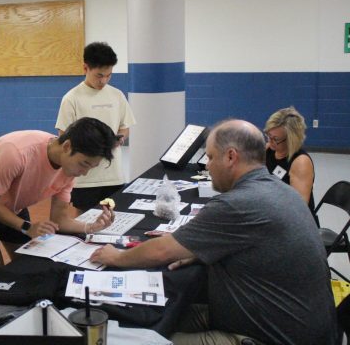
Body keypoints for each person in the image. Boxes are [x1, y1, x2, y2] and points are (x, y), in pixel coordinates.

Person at [91, 119, 337, 345]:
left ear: (231, 156)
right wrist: (200, 251)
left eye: (210, 157)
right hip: (284, 320)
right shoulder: (279, 190)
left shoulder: (238, 203)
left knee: (136, 338)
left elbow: (162, 251)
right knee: (159, 313)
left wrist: (115, 257)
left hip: (266, 335)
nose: (207, 165)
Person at [0, 117, 120, 268]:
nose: (84, 173)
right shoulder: (16, 153)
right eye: (84, 164)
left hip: (13, 207)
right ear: (67, 146)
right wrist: (26, 227)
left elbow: (60, 220)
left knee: (25, 265)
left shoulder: (69, 169)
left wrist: (91, 227)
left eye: (91, 167)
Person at [56, 42, 136, 212]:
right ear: (86, 68)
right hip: (84, 178)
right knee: (84, 220)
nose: (104, 80)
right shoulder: (71, 98)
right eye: (99, 75)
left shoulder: (117, 95)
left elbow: (125, 127)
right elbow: (64, 137)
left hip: (114, 175)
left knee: (114, 219)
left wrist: (119, 139)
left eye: (109, 75)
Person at [264, 106, 315, 211]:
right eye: (268, 136)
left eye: (275, 139)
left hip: (292, 218)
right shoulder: (269, 149)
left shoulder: (300, 163)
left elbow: (299, 208)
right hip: (271, 207)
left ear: (291, 140)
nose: (270, 141)